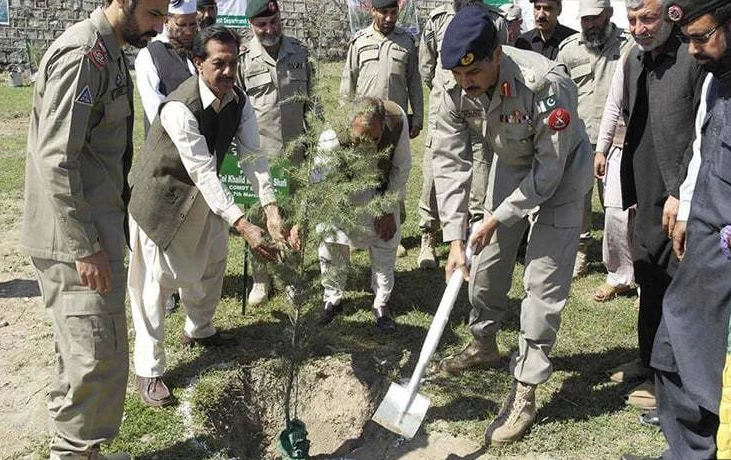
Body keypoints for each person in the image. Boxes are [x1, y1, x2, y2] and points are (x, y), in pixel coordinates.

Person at [433, 6, 592, 446]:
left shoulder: (545, 83)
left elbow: (548, 171)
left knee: (542, 283)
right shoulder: (452, 84)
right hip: (509, 164)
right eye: (458, 77)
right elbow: (449, 160)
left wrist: (499, 216)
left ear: (497, 55)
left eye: (474, 74)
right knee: (484, 268)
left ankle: (525, 389)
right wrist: (454, 237)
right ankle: (484, 343)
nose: (465, 85)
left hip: (560, 172)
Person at [21, 0, 167, 456]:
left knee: (86, 350)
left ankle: (80, 450)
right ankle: (74, 452)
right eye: (154, 13)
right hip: (76, 240)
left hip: (95, 228)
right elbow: (56, 160)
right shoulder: (84, 55)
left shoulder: (111, 51)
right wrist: (85, 248)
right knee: (92, 356)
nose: (160, 25)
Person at [126, 25, 287, 408]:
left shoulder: (239, 100)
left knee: (214, 259)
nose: (229, 73)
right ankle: (149, 370)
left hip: (203, 196)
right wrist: (244, 224)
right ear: (198, 63)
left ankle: (199, 329)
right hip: (161, 199)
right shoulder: (180, 109)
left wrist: (271, 208)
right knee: (155, 284)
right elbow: (201, 170)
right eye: (219, 64)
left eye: (233, 63)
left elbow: (254, 156)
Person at [621, 2, 731, 459]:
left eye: (701, 37)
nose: (693, 49)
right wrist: (685, 206)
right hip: (705, 238)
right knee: (674, 348)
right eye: (687, 38)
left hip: (725, 248)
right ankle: (685, 451)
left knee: (708, 359)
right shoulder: (713, 82)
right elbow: (703, 152)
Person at [616, 0, 704, 413]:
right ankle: (648, 359)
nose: (638, 27)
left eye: (647, 18)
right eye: (632, 20)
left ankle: (668, 380)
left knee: (674, 285)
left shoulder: (692, 57)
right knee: (647, 273)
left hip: (678, 193)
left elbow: (701, 133)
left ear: (671, 13)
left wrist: (681, 190)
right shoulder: (634, 59)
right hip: (644, 188)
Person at [237, 0, 319, 305]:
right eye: (262, 25)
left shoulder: (300, 52)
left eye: (274, 22)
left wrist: (316, 141)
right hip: (261, 156)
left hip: (296, 153)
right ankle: (260, 279)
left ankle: (290, 276)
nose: (270, 30)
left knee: (295, 220)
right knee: (260, 217)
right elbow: (237, 109)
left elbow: (314, 101)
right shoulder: (244, 59)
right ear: (252, 26)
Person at [417, 0, 507, 270]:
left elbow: (501, 62)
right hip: (448, 104)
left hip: (484, 109)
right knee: (435, 174)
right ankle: (428, 237)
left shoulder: (496, 19)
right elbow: (426, 67)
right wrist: (450, 87)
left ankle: (475, 236)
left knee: (482, 173)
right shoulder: (436, 20)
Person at [314, 97, 411, 333]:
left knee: (385, 241)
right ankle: (332, 297)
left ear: (383, 126)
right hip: (342, 189)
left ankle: (381, 302)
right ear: (350, 128)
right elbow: (320, 181)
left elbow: (401, 167)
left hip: (381, 187)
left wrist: (387, 209)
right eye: (360, 139)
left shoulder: (397, 121)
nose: (367, 146)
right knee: (331, 240)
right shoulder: (332, 136)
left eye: (374, 139)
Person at [339, 0, 423, 258]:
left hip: (392, 126)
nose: (388, 18)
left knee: (393, 176)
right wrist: (345, 121)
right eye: (383, 12)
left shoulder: (407, 42)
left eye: (393, 12)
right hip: (364, 128)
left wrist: (417, 116)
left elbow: (414, 82)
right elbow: (347, 81)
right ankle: (359, 231)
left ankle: (392, 233)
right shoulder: (359, 41)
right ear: (372, 11)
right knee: (362, 177)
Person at [556, 0, 633, 279]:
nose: (589, 25)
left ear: (609, 14)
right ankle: (580, 252)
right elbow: (557, 92)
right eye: (585, 19)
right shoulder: (569, 50)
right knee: (579, 200)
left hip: (617, 140)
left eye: (595, 18)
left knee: (618, 206)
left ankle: (625, 261)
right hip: (579, 138)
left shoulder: (629, 46)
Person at [592, 52, 636, 303]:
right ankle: (619, 277)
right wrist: (601, 148)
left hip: (656, 149)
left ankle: (647, 283)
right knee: (615, 214)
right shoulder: (629, 56)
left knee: (647, 221)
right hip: (621, 146)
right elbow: (613, 104)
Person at [135, 0, 198, 132]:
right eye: (181, 25)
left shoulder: (200, 49)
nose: (188, 32)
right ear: (167, 21)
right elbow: (154, 108)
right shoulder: (149, 55)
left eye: (192, 24)